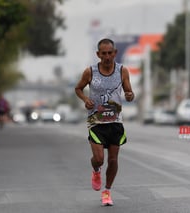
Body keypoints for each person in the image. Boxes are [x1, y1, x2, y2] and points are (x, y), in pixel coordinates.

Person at [75, 38, 135, 206]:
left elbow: (129, 92)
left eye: (110, 53)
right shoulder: (90, 72)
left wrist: (130, 95)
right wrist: (85, 99)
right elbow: (78, 88)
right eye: (104, 54)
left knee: (113, 160)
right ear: (98, 54)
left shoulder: (122, 71)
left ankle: (107, 191)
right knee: (99, 159)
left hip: (115, 121)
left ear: (115, 53)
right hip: (96, 121)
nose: (107, 56)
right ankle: (95, 170)